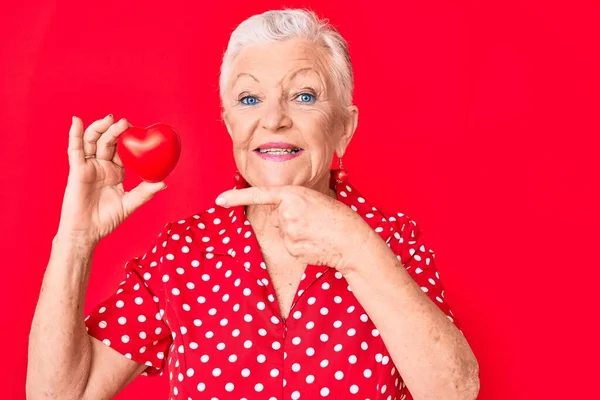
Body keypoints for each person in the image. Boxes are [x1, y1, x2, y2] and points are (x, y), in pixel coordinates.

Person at [27, 8, 479, 400]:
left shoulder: (391, 239)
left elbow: (454, 391)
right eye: (249, 98)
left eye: (304, 96)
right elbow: (64, 393)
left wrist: (357, 248)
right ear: (229, 124)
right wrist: (76, 238)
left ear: (344, 126)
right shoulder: (183, 253)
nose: (273, 119)